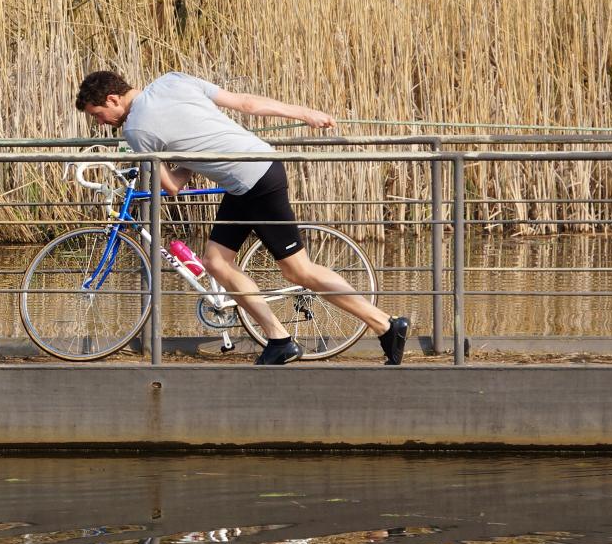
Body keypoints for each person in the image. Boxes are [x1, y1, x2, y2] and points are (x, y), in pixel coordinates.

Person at [75, 70, 409, 365]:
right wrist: (304, 113)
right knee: (216, 262)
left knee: (298, 270)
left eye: (99, 114)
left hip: (255, 182)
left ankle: (383, 323)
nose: (101, 123)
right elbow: (246, 103)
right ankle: (279, 340)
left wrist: (186, 155)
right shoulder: (173, 80)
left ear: (113, 98)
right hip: (251, 175)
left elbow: (172, 186)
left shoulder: (135, 131)